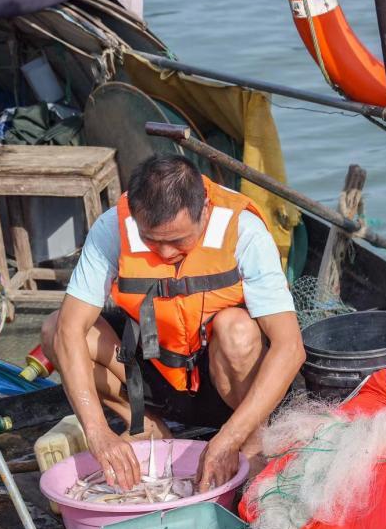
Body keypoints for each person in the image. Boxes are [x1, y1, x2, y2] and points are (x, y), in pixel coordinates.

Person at [41, 153, 304, 493]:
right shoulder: (112, 228)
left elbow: (290, 347)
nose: (164, 254)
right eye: (152, 240)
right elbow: (69, 331)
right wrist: (97, 432)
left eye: (179, 241)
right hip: (155, 374)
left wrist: (228, 439)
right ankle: (146, 425)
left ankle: (251, 447)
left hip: (224, 383)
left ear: (204, 211)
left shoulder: (244, 230)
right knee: (54, 328)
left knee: (236, 330)